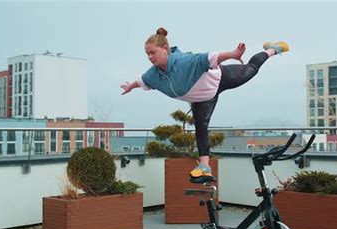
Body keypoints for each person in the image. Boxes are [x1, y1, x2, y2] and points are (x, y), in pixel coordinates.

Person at [121, 27, 289, 183]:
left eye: (153, 52)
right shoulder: (153, 74)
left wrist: (233, 54)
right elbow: (141, 80)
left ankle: (272, 49)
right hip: (202, 99)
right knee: (201, 127)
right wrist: (130, 86)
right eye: (147, 54)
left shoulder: (183, 61)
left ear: (165, 48)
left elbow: (209, 57)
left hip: (219, 78)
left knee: (251, 69)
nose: (150, 57)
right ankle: (204, 167)